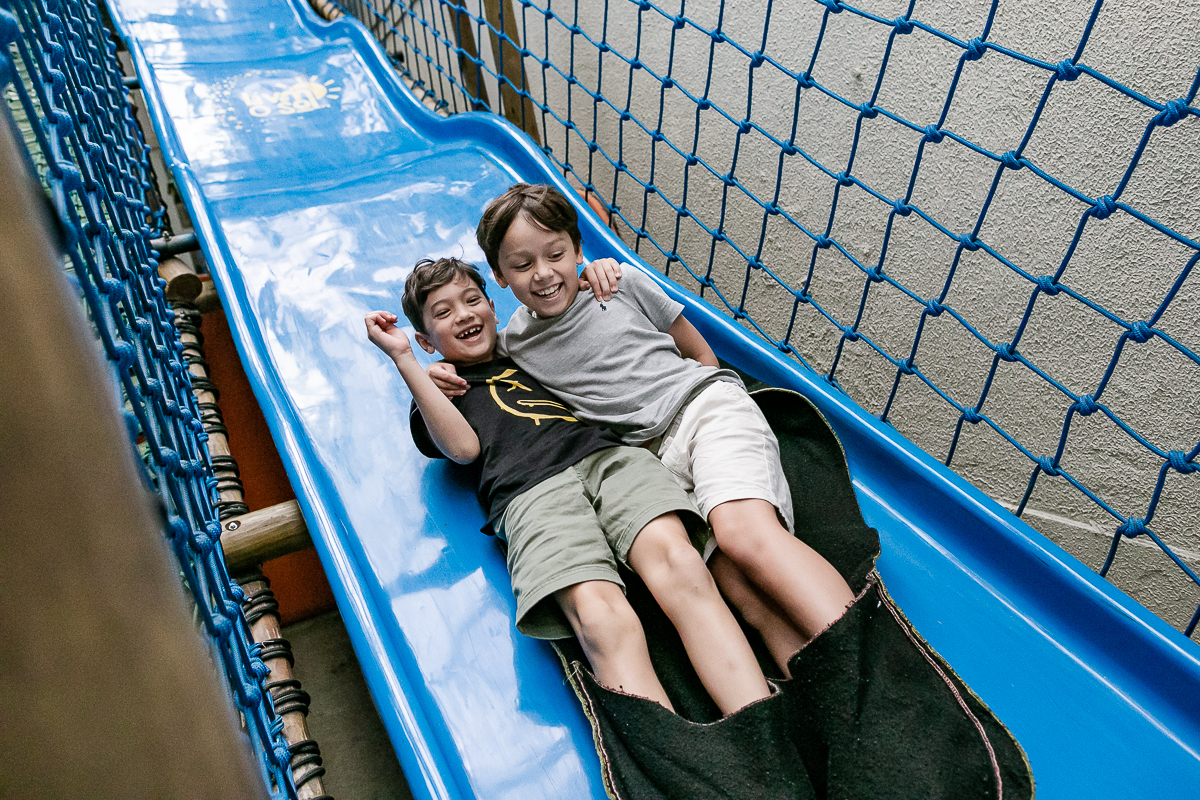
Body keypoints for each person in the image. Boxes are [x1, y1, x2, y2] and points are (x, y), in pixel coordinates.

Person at [430, 184, 856, 675]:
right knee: (737, 588)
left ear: (578, 249)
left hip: (701, 410)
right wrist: (432, 373)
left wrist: (607, 265)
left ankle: (864, 660)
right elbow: (472, 354)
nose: (544, 273)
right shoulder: (516, 344)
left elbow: (698, 353)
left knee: (743, 535)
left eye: (557, 254)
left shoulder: (620, 284)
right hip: (651, 464)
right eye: (522, 265)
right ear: (500, 278)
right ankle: (824, 693)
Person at [364, 257, 771, 715]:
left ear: (495, 310)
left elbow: (579, 312)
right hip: (530, 495)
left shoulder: (535, 343)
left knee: (681, 564)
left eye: (473, 300)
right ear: (425, 340)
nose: (463, 314)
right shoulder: (438, 391)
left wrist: (595, 271)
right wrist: (410, 365)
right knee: (600, 618)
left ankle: (758, 720)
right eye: (443, 313)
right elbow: (463, 449)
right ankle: (677, 757)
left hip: (608, 458)